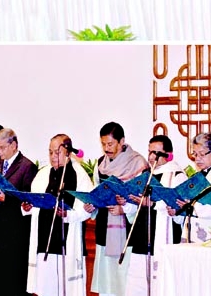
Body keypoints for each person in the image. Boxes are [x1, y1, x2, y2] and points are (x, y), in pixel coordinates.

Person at [23, 135, 93, 296]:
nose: (53, 156)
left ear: (68, 152)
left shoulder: (79, 175)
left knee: (65, 289)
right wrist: (28, 207)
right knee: (45, 288)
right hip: (44, 238)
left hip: (66, 240)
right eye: (50, 152)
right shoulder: (42, 174)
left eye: (57, 152)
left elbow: (87, 207)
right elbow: (35, 201)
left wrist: (68, 214)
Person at [86, 122, 148, 296]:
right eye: (103, 144)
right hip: (104, 227)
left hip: (128, 231)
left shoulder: (137, 163)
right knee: (107, 282)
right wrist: (91, 203)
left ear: (122, 141)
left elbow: (144, 200)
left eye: (110, 144)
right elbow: (97, 191)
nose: (106, 148)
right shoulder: (100, 164)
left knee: (124, 280)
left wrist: (124, 209)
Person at [0, 128, 38, 296]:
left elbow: (28, 202)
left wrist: (6, 200)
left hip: (14, 233)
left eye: (3, 147)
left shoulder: (27, 166)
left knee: (12, 281)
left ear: (14, 145)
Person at [123, 135, 185, 296]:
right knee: (136, 285)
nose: (151, 157)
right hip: (141, 238)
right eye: (150, 152)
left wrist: (152, 204)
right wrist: (124, 201)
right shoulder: (144, 176)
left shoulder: (177, 176)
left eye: (156, 154)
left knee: (160, 286)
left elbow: (177, 205)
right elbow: (132, 208)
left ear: (168, 155)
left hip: (162, 238)